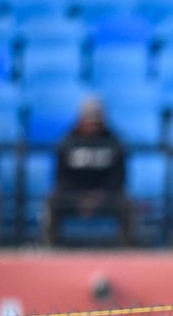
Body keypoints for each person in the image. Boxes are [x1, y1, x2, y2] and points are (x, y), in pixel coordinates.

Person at [40, 96, 132, 247]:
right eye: (88, 121)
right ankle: (51, 246)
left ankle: (126, 248)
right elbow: (61, 177)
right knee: (52, 202)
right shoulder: (67, 142)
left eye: (95, 121)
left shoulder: (114, 142)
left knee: (127, 205)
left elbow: (119, 177)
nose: (92, 126)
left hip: (105, 195)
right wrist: (80, 197)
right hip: (73, 195)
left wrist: (98, 196)